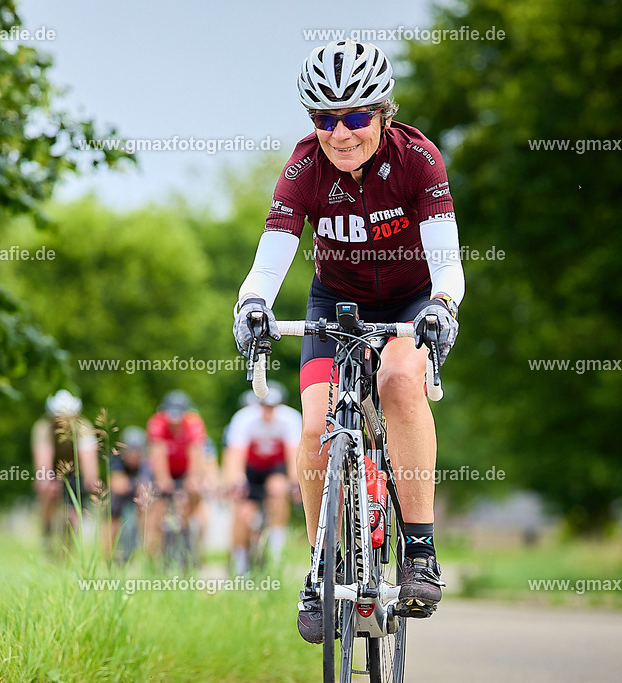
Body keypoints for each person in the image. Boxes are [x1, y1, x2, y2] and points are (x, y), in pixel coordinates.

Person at [232, 40, 464, 643]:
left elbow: (448, 261)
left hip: (411, 303)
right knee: (313, 428)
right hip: (333, 303)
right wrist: (251, 302)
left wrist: (442, 306)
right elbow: (273, 251)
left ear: (383, 113)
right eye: (325, 118)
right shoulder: (305, 167)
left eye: (356, 116)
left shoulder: (419, 159)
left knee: (396, 382)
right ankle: (319, 570)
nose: (341, 133)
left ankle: (419, 550)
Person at [223, 380, 302, 575]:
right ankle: (240, 565)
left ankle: (276, 555)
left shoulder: (290, 418)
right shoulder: (244, 418)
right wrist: (236, 481)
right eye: (264, 406)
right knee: (243, 513)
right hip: (250, 470)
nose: (268, 412)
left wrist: (295, 483)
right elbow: (235, 455)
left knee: (278, 489)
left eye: (272, 407)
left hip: (274, 469)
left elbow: (293, 455)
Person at [32, 390, 99, 548]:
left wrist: (92, 484)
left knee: (72, 514)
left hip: (74, 471)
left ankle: (69, 545)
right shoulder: (43, 428)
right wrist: (46, 481)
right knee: (45, 487)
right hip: (53, 469)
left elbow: (88, 461)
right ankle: (47, 532)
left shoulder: (84, 428)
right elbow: (44, 460)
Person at [145, 390, 207, 556]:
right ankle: (154, 553)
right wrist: (163, 479)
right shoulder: (157, 422)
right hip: (164, 468)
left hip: (185, 469)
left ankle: (187, 529)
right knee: (156, 508)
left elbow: (196, 452)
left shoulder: (194, 423)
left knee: (194, 493)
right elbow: (158, 452)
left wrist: (192, 478)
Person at [107, 426, 152, 561]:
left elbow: (146, 486)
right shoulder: (116, 461)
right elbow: (117, 484)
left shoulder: (146, 464)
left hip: (139, 500)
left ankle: (147, 554)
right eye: (130, 451)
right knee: (111, 514)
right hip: (119, 500)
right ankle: (110, 555)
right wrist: (134, 484)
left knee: (149, 510)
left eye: (136, 452)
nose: (133, 455)